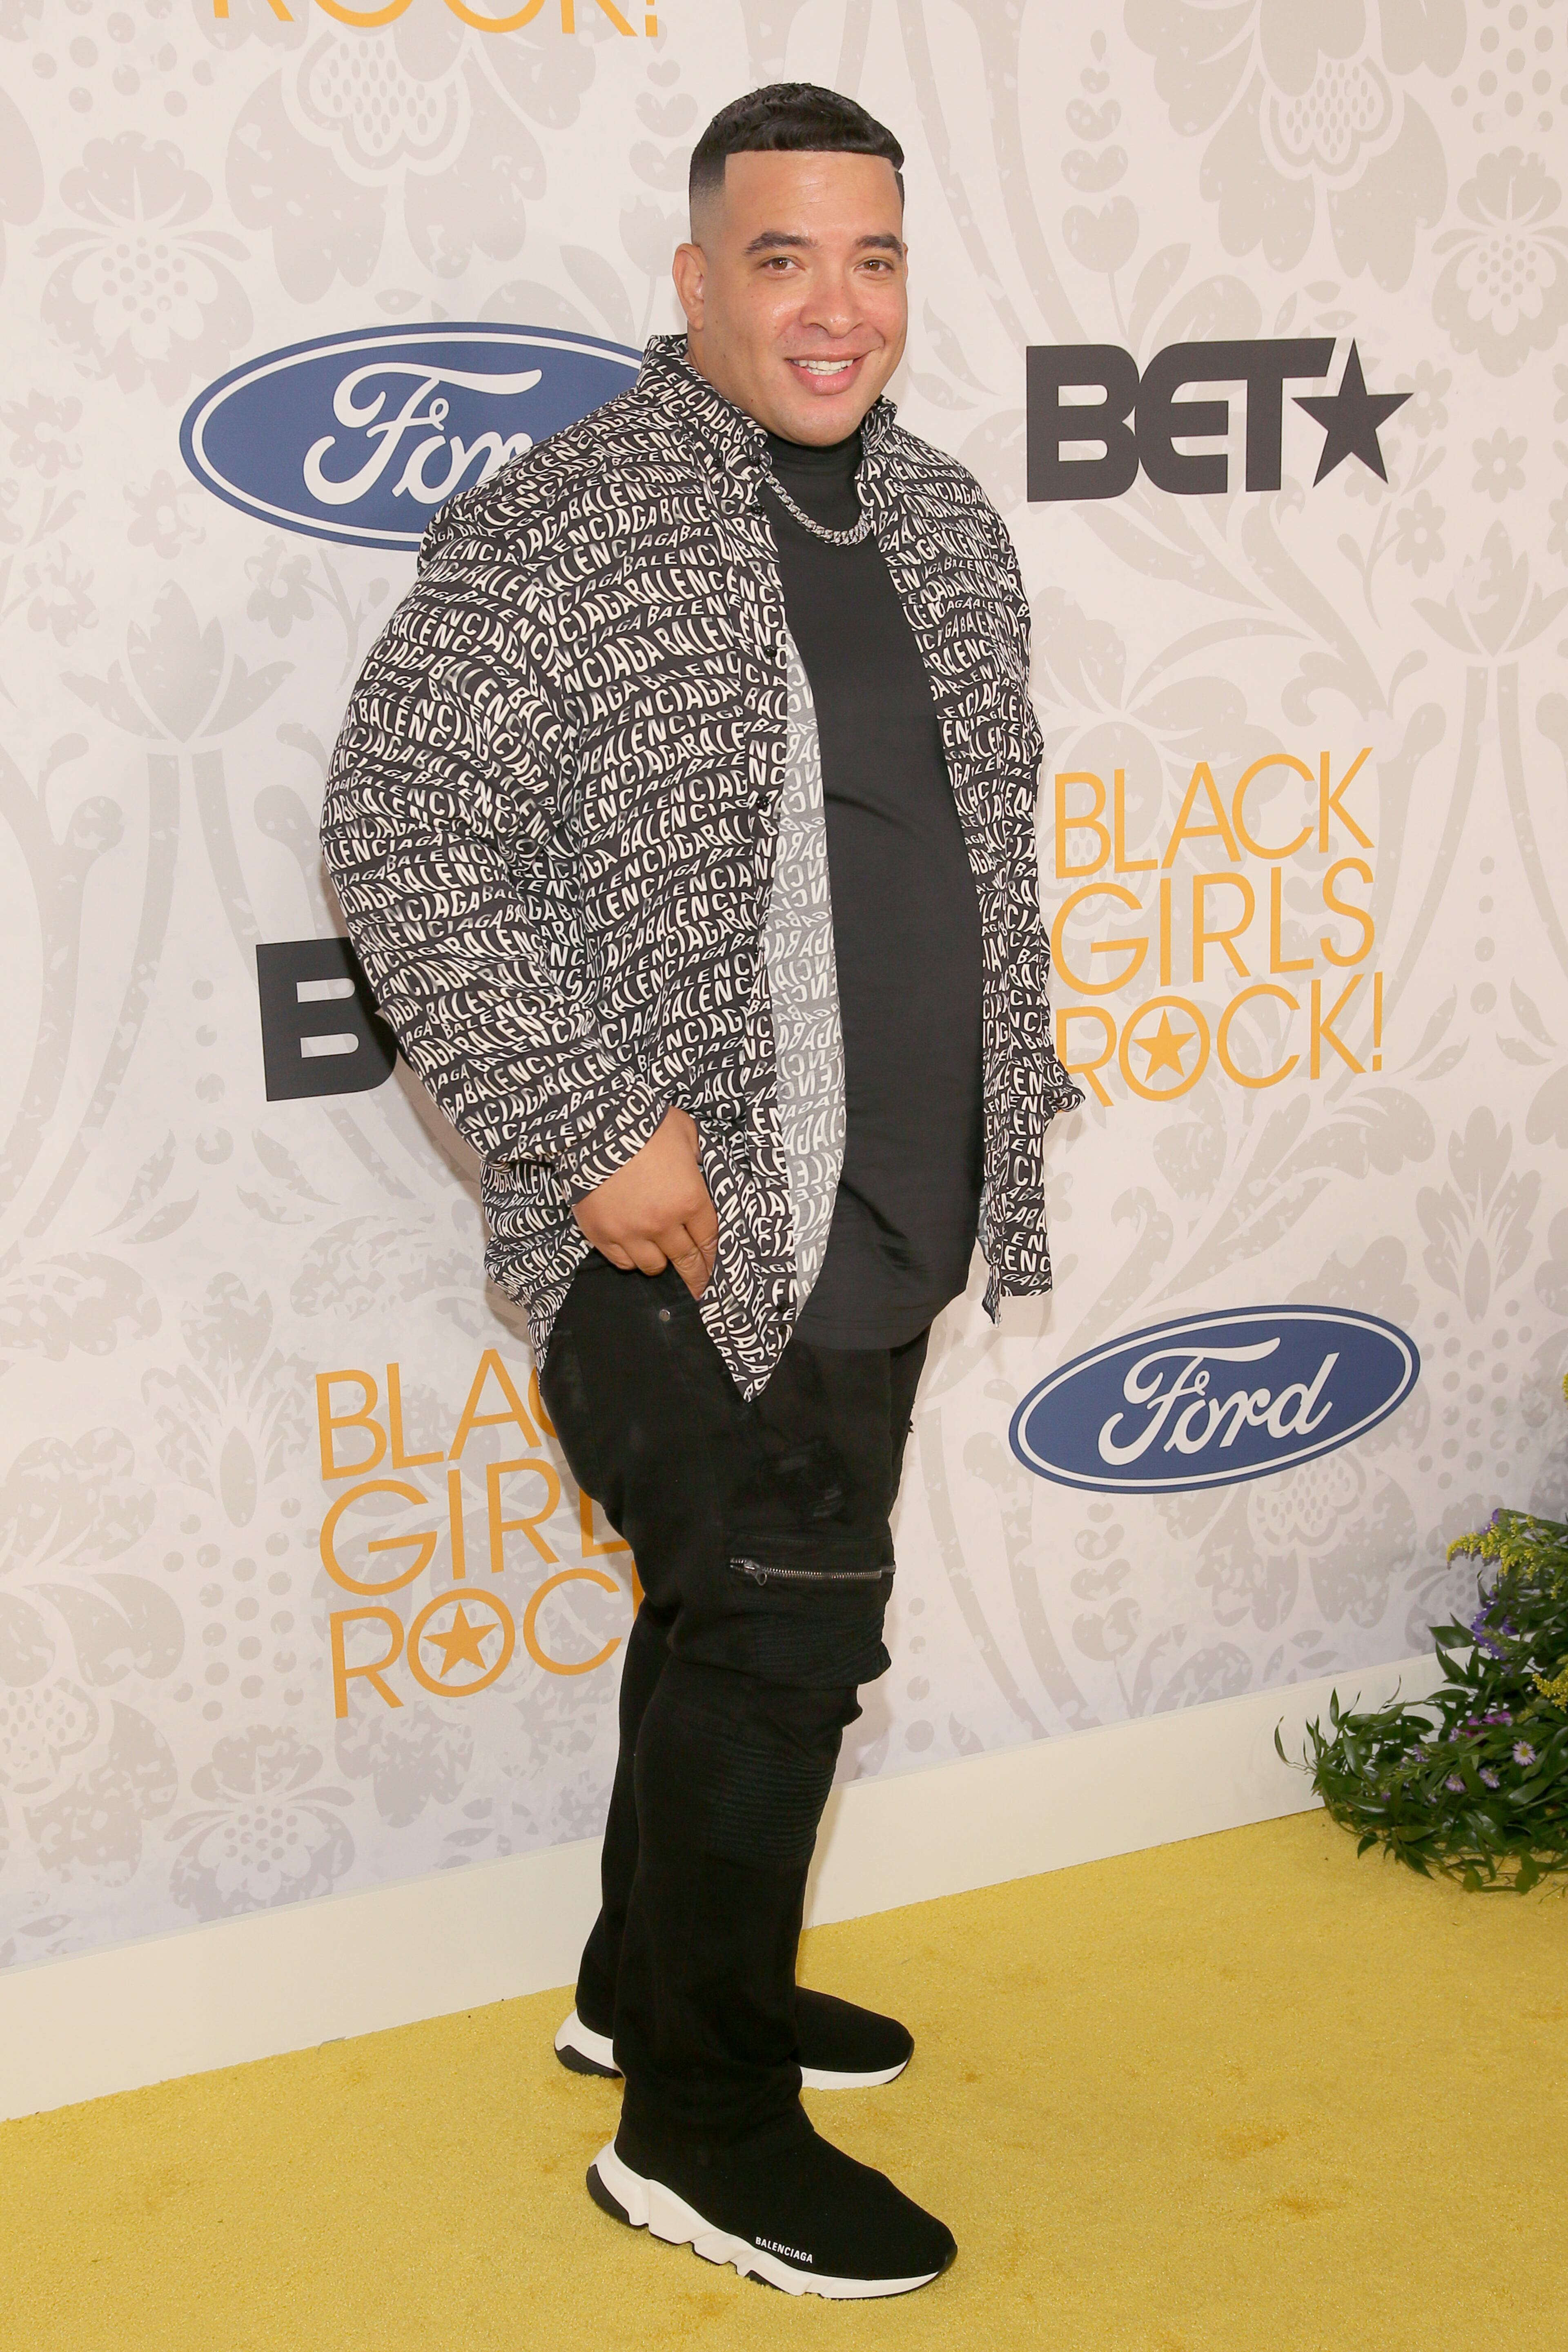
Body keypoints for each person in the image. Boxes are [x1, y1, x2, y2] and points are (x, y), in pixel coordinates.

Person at [322, 81, 1078, 2301]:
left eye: (875, 258)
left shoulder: (938, 518)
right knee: (777, 1630)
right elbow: (401, 834)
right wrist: (592, 1118)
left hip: (896, 1214)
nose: (835, 308)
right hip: (678, 1224)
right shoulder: (572, 519)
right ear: (695, 280)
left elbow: (952, 850)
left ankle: (648, 1988)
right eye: (782, 258)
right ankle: (703, 2126)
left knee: (745, 1630)